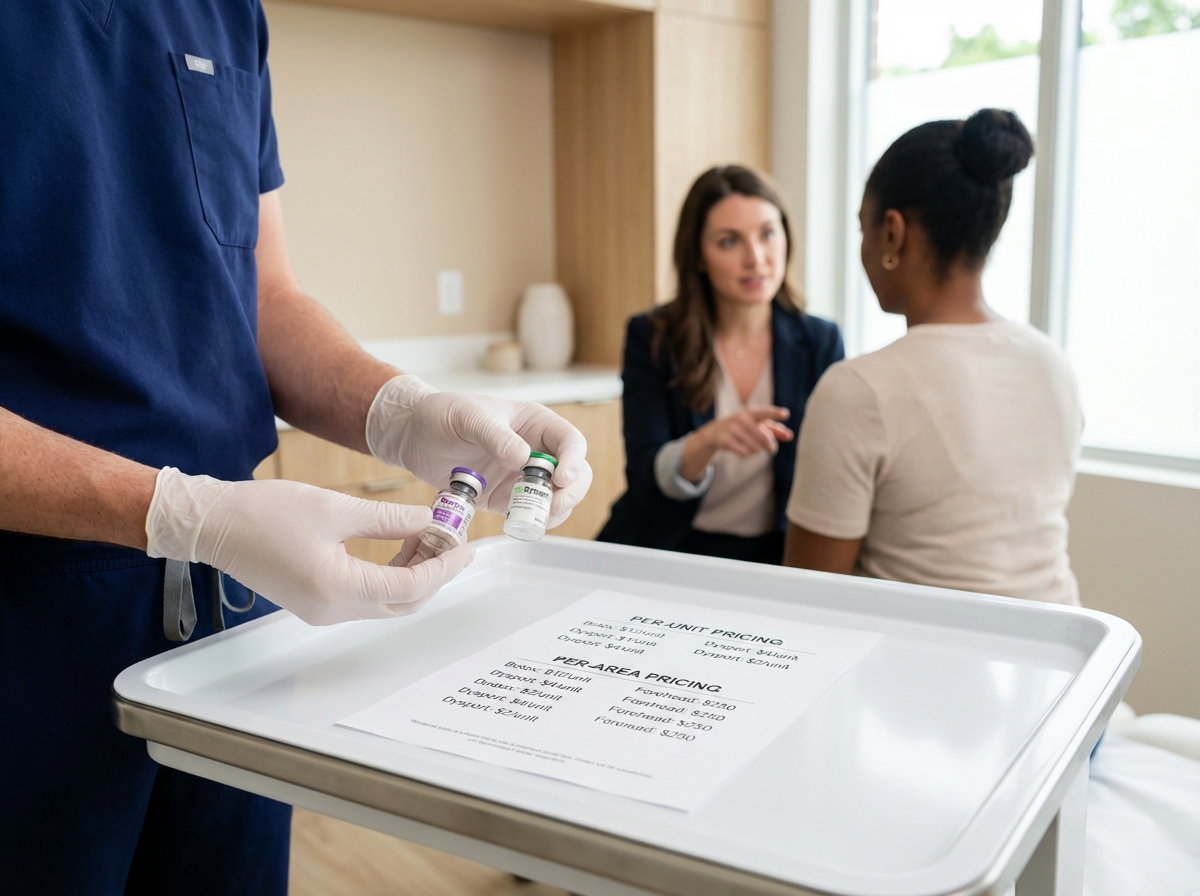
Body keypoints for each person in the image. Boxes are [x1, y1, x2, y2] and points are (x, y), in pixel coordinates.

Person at [0, 4, 591, 894]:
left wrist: (406, 411)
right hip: (31, 620)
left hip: (238, 613)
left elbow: (265, 298)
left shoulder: (228, 14)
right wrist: (179, 512)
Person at [783, 108, 1083, 606]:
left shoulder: (858, 389)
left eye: (864, 229)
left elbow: (809, 600)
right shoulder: (1053, 363)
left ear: (893, 233)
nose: (863, 248)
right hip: (1066, 664)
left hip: (925, 674)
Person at [598, 166, 843, 564]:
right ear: (697, 256)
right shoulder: (653, 336)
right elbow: (644, 477)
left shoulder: (821, 341)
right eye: (729, 242)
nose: (756, 258)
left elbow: (833, 473)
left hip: (775, 555)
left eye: (767, 233)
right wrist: (708, 441)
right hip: (669, 544)